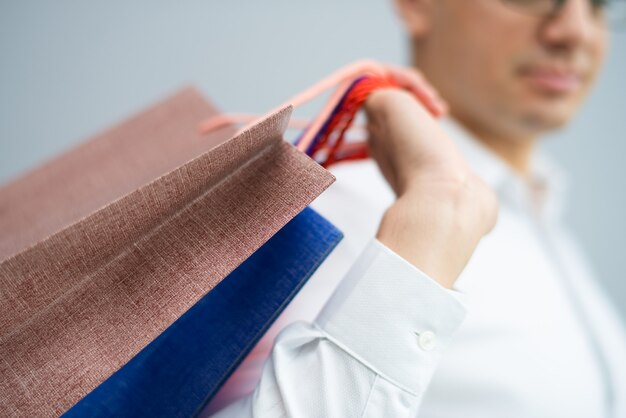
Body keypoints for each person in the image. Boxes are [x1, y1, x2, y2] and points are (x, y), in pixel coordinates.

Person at [204, 0, 626, 416]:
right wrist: (435, 218)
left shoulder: (543, 218)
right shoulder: (332, 207)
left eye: (598, 5)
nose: (577, 32)